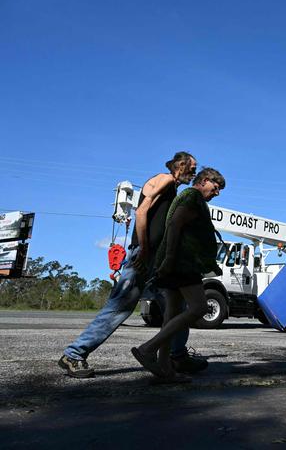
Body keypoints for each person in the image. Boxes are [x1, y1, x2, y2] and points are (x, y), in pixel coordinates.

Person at [58, 152, 204, 378]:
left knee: (175, 308)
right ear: (181, 165)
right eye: (192, 167)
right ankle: (74, 354)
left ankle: (177, 356)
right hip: (144, 256)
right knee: (120, 306)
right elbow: (141, 211)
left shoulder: (172, 188)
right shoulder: (164, 180)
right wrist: (144, 250)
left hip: (156, 258)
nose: (194, 172)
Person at [131, 167, 225, 382]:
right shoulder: (192, 196)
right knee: (200, 307)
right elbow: (175, 224)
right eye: (216, 187)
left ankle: (165, 368)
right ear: (203, 181)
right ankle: (148, 348)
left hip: (175, 262)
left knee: (171, 315)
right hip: (182, 262)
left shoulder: (188, 197)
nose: (217, 192)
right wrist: (171, 258)